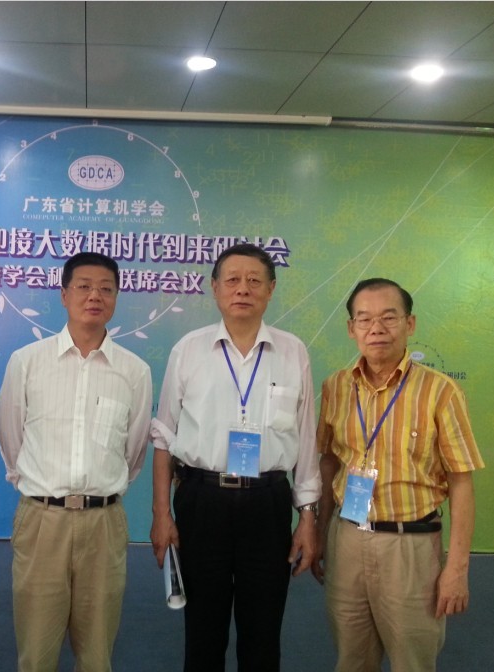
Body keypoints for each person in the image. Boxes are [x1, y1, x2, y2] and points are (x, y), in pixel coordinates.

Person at [150, 243, 320, 671]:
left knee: (263, 632)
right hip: (202, 500)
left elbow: (306, 439)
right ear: (215, 288)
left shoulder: (293, 351)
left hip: (268, 503)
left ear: (271, 289)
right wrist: (161, 514)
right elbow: (164, 437)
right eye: (232, 280)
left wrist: (308, 516)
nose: (242, 288)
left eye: (254, 280)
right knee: (202, 631)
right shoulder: (189, 349)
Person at [312, 278, 484, 672]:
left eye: (389, 317)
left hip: (411, 547)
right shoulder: (336, 387)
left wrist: (457, 568)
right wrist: (321, 534)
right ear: (351, 328)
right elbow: (329, 463)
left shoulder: (440, 392)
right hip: (347, 538)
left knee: (413, 661)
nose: (376, 328)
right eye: (364, 319)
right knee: (352, 658)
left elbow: (461, 483)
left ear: (410, 324)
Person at [0, 251, 152, 672]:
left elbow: (134, 450)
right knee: (36, 654)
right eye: (83, 286)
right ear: (64, 295)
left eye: (105, 289)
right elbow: (10, 438)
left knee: (97, 654)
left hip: (104, 524)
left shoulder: (135, 371)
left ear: (116, 298)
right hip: (42, 520)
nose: (94, 296)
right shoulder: (27, 362)